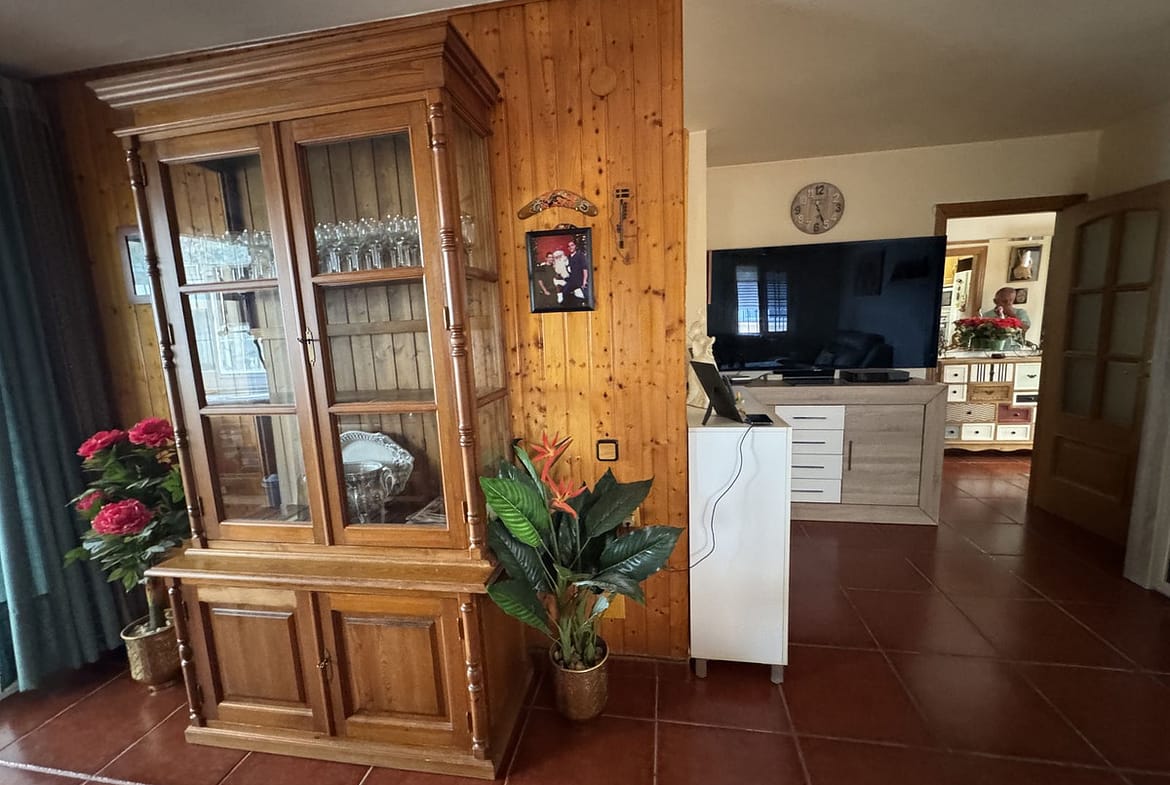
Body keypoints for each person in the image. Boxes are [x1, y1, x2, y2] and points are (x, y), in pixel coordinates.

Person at [564, 238, 590, 307]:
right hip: (572, 280)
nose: (570, 247)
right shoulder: (568, 257)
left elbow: (585, 269)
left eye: (572, 245)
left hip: (580, 280)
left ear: (575, 246)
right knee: (565, 292)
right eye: (569, 246)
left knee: (587, 296)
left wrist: (584, 281)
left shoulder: (580, 255)